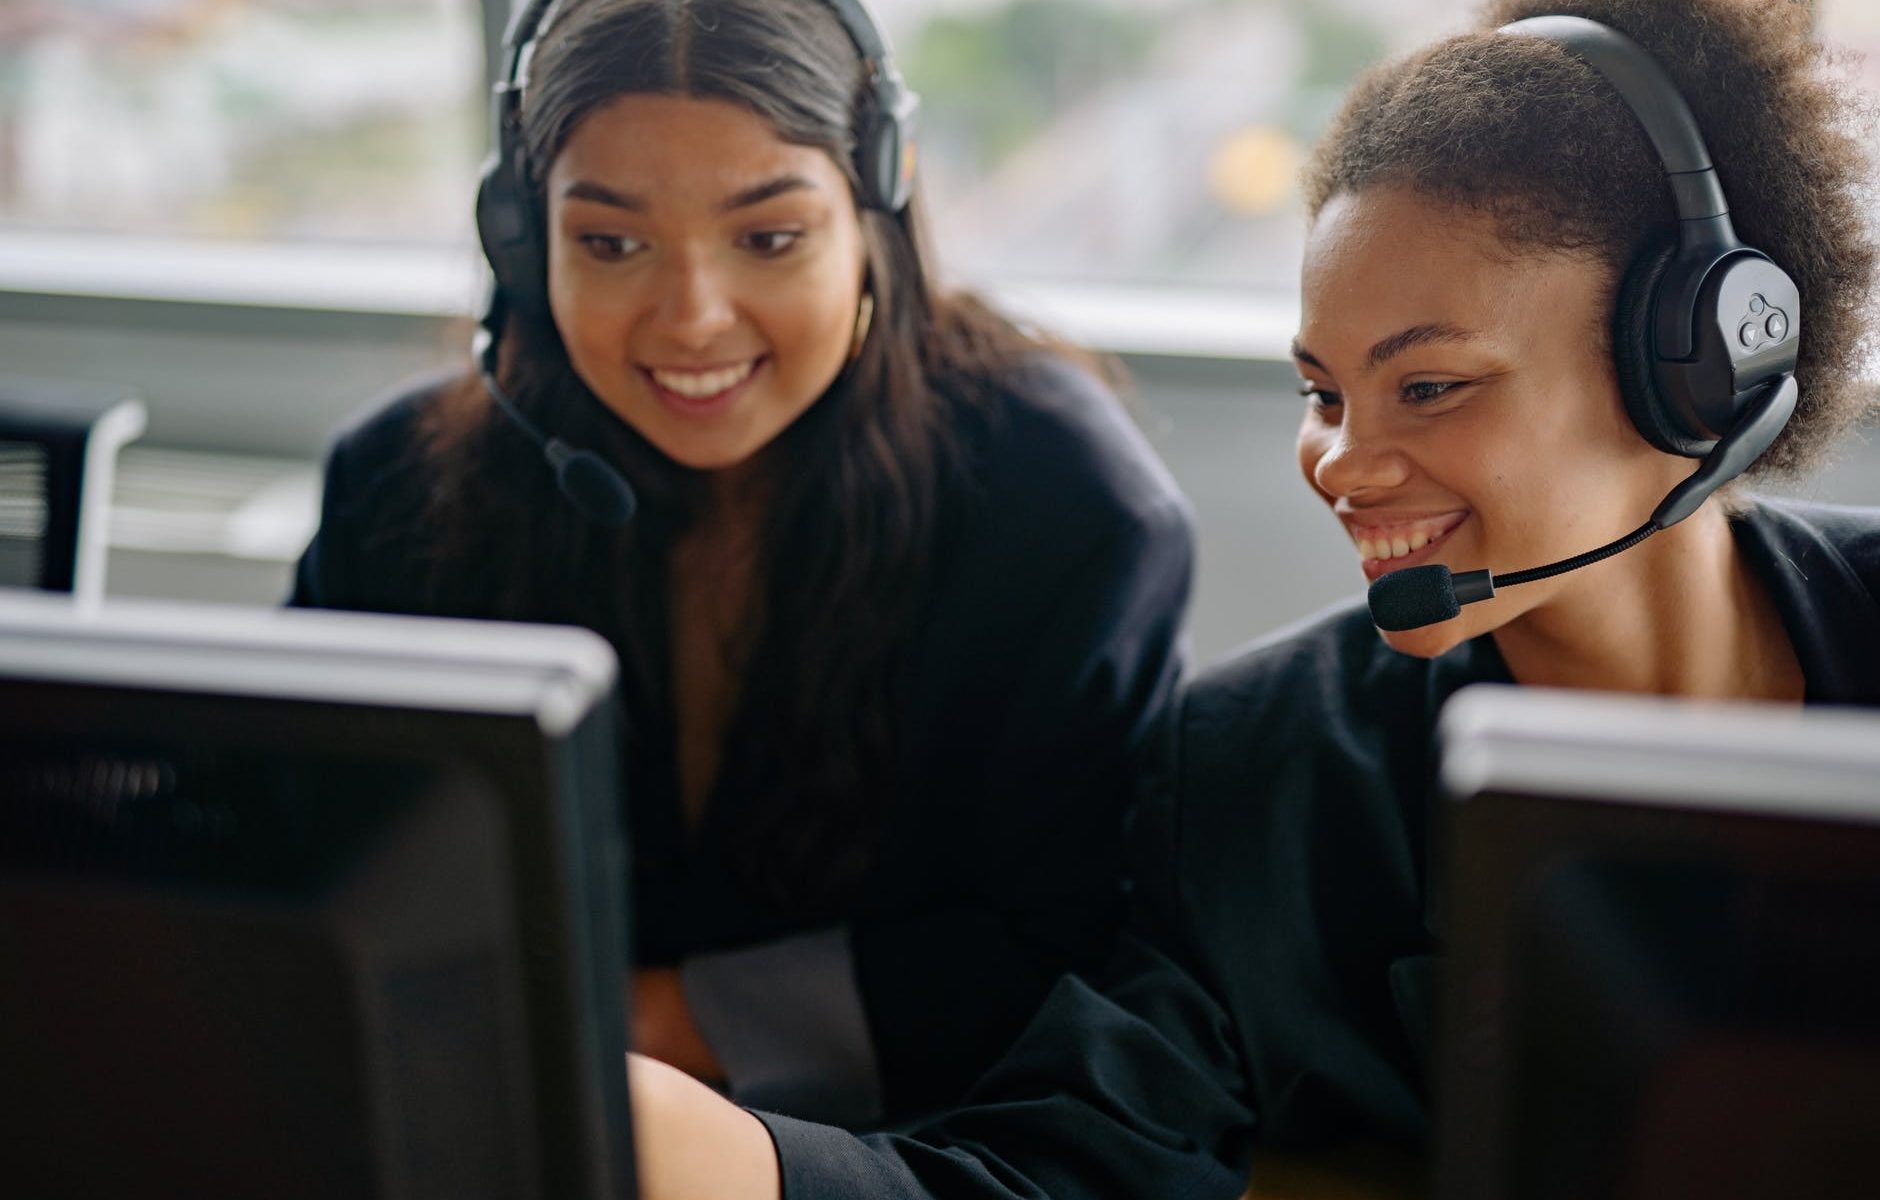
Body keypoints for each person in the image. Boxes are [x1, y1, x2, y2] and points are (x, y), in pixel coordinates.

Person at [618, 0, 1880, 1194]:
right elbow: (1070, 1167)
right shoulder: (1251, 780)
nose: (1337, 460)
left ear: (1694, 377)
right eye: (1322, 395)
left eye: (1427, 386)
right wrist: (719, 1159)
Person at [290, 0, 1193, 1128]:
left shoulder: (1063, 503)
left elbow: (1076, 951)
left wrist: (659, 1020)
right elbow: (307, 860)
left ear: (873, 208)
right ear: (520, 241)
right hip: (490, 1123)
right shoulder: (396, 490)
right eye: (610, 244)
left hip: (902, 1153)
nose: (690, 320)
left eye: (767, 238)